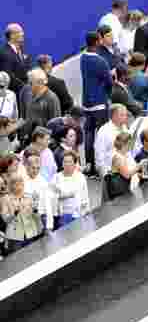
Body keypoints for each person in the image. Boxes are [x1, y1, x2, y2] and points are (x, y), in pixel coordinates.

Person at [80, 31, 114, 177]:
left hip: (87, 102)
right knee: (101, 135)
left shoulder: (82, 58)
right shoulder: (100, 61)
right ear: (97, 42)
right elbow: (109, 82)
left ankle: (90, 166)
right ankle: (103, 166)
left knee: (89, 134)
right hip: (99, 103)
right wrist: (107, 94)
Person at [1, 174, 43, 254]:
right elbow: (5, 219)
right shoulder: (5, 199)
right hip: (15, 236)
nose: (20, 186)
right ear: (11, 185)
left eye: (21, 183)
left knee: (31, 256)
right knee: (17, 259)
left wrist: (35, 211)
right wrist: (15, 213)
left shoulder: (28, 197)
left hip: (29, 233)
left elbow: (36, 216)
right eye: (17, 184)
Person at [50, 150, 90, 229]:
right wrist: (65, 195)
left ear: (75, 164)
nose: (67, 164)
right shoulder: (56, 178)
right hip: (62, 216)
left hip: (78, 215)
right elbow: (52, 197)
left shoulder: (80, 177)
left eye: (70, 162)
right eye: (65, 161)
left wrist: (87, 211)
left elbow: (85, 196)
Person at [22, 69, 61, 139]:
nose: (29, 85)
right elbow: (26, 117)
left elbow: (55, 124)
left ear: (40, 83)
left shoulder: (52, 98)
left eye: (31, 83)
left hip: (43, 141)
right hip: (30, 139)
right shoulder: (29, 95)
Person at [104, 132, 142, 201]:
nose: (131, 145)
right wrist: (139, 166)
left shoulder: (125, 155)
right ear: (125, 144)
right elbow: (127, 175)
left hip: (125, 187)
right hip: (119, 190)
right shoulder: (118, 157)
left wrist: (138, 174)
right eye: (130, 143)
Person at [22, 151, 53, 231]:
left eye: (38, 168)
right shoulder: (21, 181)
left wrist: (49, 224)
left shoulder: (43, 182)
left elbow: (47, 204)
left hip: (41, 218)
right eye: (33, 168)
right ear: (27, 166)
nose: (35, 171)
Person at [0, 24, 30, 95]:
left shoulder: (21, 51)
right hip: (13, 95)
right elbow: (8, 76)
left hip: (23, 93)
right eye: (20, 32)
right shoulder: (4, 53)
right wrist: (25, 88)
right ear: (12, 35)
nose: (23, 34)